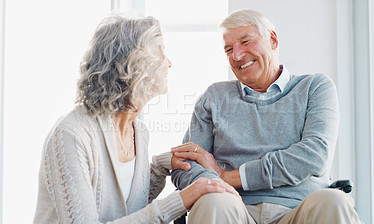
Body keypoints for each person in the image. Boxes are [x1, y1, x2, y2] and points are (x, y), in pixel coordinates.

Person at [33, 15, 246, 224]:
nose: (169, 63)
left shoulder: (138, 131)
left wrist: (161, 166)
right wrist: (179, 201)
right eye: (162, 53)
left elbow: (131, 208)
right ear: (136, 64)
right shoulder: (73, 134)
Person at [171, 9, 362, 224]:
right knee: (213, 202)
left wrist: (231, 177)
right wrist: (216, 183)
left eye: (245, 42)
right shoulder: (214, 97)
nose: (237, 55)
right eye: (228, 49)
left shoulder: (314, 87)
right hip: (235, 208)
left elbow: (313, 157)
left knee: (334, 201)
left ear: (272, 40)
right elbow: (184, 168)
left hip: (300, 208)